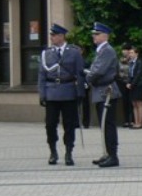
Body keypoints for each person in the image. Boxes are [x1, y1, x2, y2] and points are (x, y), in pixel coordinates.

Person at [37, 23, 86, 165]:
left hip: (68, 91)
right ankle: (53, 151)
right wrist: (42, 94)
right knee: (50, 124)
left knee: (69, 125)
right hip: (51, 92)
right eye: (51, 35)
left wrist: (80, 93)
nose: (51, 38)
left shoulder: (74, 52)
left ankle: (69, 152)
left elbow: (80, 73)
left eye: (54, 35)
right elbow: (42, 75)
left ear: (61, 36)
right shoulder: (46, 53)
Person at [86, 22, 122, 167]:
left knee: (108, 125)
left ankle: (113, 156)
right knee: (104, 125)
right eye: (94, 34)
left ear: (105, 36)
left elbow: (98, 71)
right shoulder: (101, 50)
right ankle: (107, 153)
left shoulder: (107, 50)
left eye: (97, 34)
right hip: (101, 91)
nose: (94, 36)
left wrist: (87, 78)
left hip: (106, 91)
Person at [123, 44, 142, 129]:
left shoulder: (139, 62)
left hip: (138, 85)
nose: (130, 54)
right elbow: (130, 74)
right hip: (132, 85)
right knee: (134, 104)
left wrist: (132, 84)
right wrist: (128, 82)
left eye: (132, 53)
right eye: (130, 53)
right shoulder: (131, 63)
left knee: (139, 103)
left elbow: (138, 75)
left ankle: (140, 122)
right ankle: (136, 122)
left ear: (136, 54)